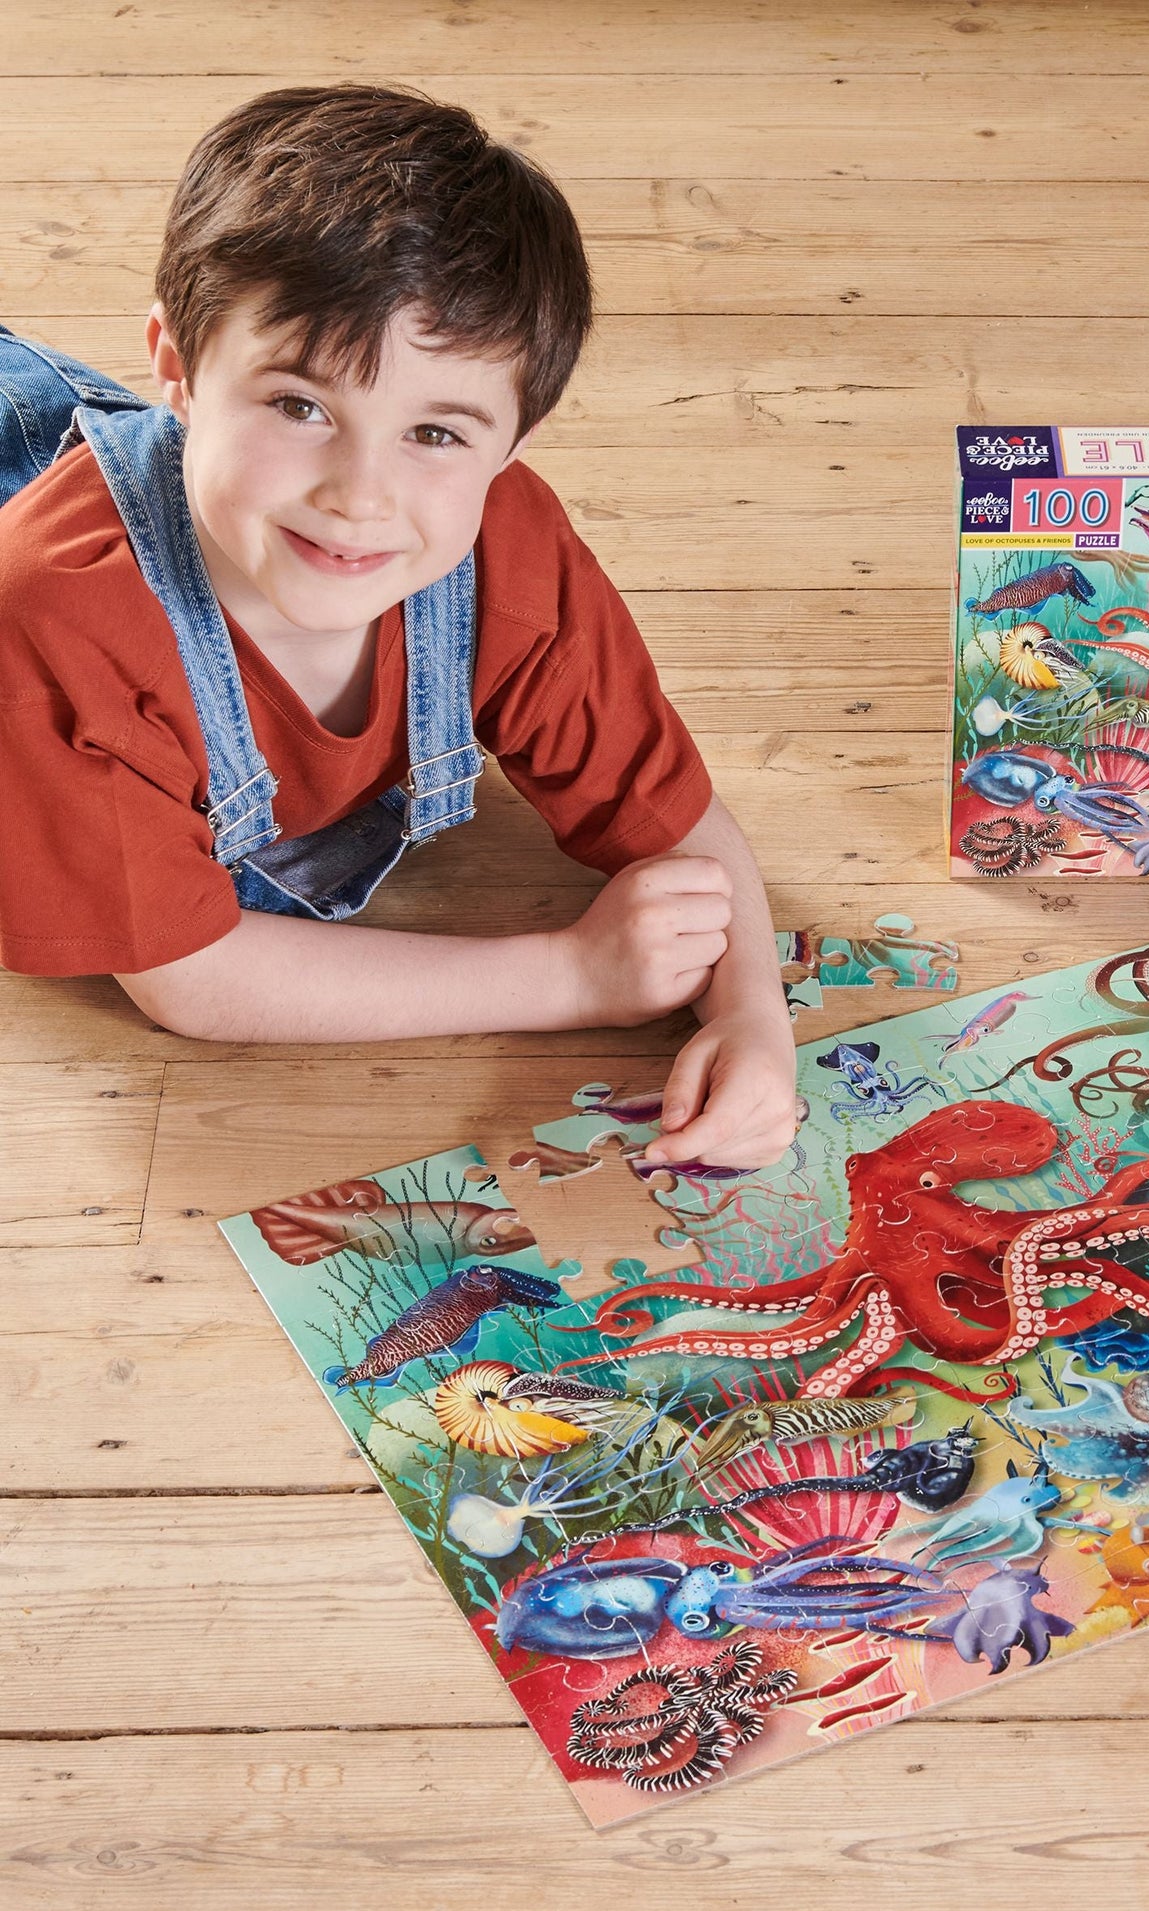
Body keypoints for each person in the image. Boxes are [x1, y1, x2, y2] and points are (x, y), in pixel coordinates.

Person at [0, 85, 797, 1170]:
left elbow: (675, 821)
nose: (359, 496)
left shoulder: (506, 550)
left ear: (515, 442)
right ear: (177, 366)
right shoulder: (58, 615)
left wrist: (753, 1015)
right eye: (299, 405)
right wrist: (573, 975)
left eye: (431, 430)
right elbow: (188, 974)